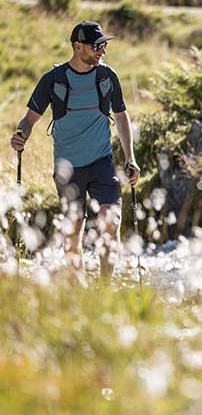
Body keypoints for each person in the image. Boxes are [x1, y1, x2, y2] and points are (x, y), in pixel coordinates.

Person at [10, 21, 141, 284]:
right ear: (77, 46)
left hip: (103, 162)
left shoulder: (107, 77)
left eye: (104, 45)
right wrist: (21, 135)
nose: (102, 51)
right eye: (96, 46)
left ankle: (104, 289)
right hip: (68, 170)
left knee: (110, 223)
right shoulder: (53, 80)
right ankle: (79, 293)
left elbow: (121, 116)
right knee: (73, 236)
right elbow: (29, 119)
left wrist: (131, 158)